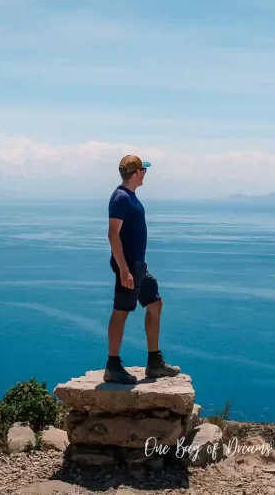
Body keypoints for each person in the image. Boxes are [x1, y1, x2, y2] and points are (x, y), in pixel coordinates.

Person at [104, 155, 181, 384]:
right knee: (121, 311)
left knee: (155, 303)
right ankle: (113, 365)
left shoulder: (130, 197)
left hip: (138, 266)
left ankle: (154, 362)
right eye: (144, 170)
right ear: (136, 173)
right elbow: (112, 234)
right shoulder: (120, 198)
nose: (146, 174)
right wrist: (124, 270)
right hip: (128, 267)